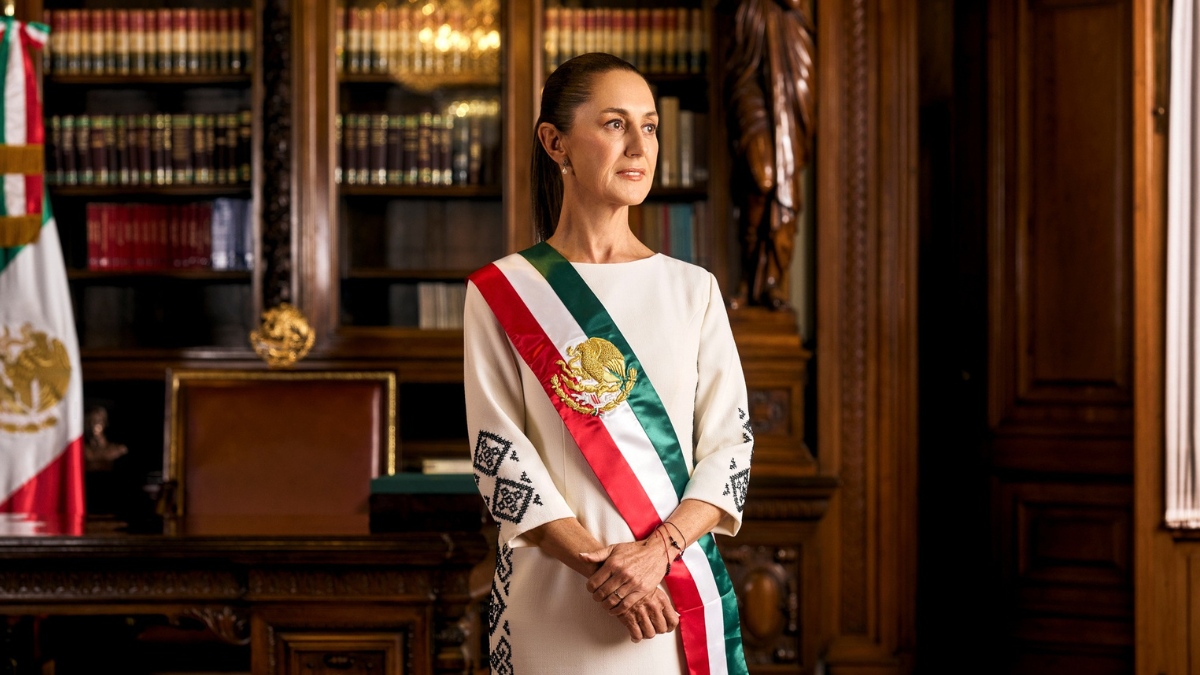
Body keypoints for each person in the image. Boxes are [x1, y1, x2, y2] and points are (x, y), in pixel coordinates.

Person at [464, 53, 753, 675]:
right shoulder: (502, 290)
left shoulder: (693, 290)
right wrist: (606, 571)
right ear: (556, 142)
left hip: (671, 596)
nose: (639, 147)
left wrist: (655, 556)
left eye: (649, 126)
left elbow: (729, 451)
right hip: (554, 597)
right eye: (616, 124)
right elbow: (500, 453)